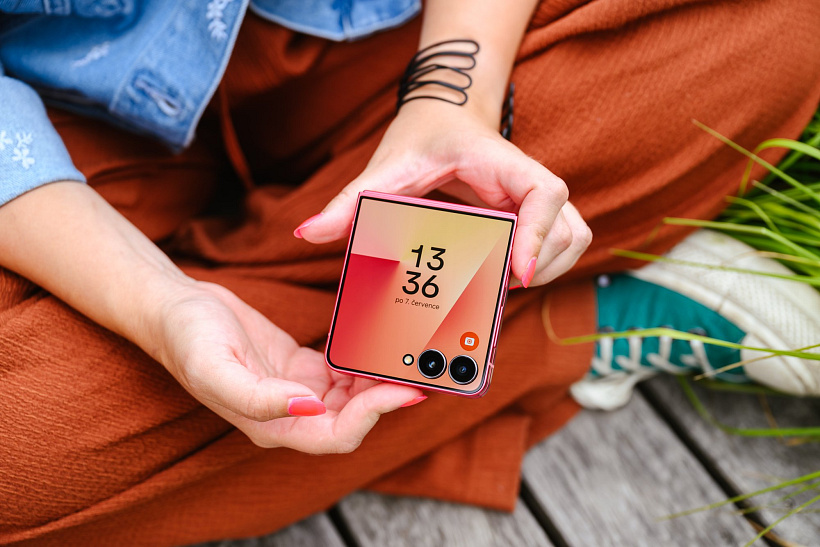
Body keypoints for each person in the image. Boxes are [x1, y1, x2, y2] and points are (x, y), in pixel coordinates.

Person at [0, 0, 818, 544]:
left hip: (396, 38)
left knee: (776, 23)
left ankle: (345, 313)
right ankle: (576, 321)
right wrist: (157, 303)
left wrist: (451, 104)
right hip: (59, 131)